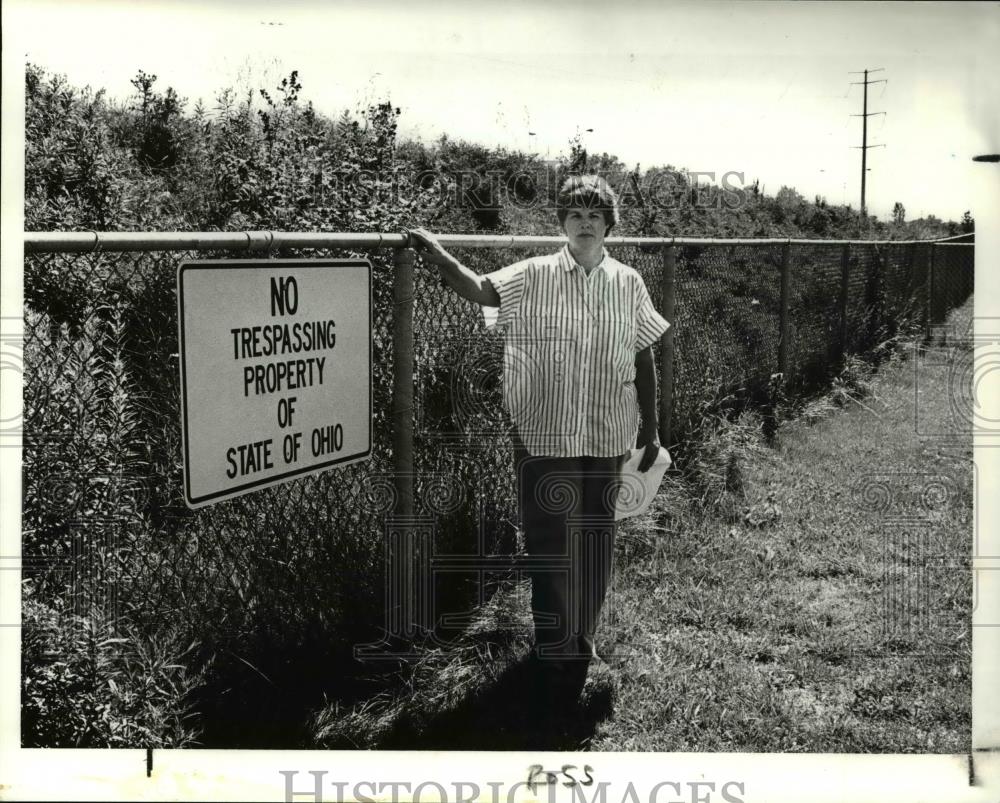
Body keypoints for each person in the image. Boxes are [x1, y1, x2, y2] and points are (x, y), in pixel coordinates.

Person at [408, 175, 669, 714]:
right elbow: (481, 289)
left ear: (609, 224)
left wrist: (651, 429)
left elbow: (644, 356)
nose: (585, 221)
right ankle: (552, 650)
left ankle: (582, 644)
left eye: (595, 213)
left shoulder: (630, 283)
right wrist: (437, 253)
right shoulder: (533, 275)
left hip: (607, 432)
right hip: (544, 432)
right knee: (551, 547)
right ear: (562, 223)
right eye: (575, 213)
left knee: (594, 543)